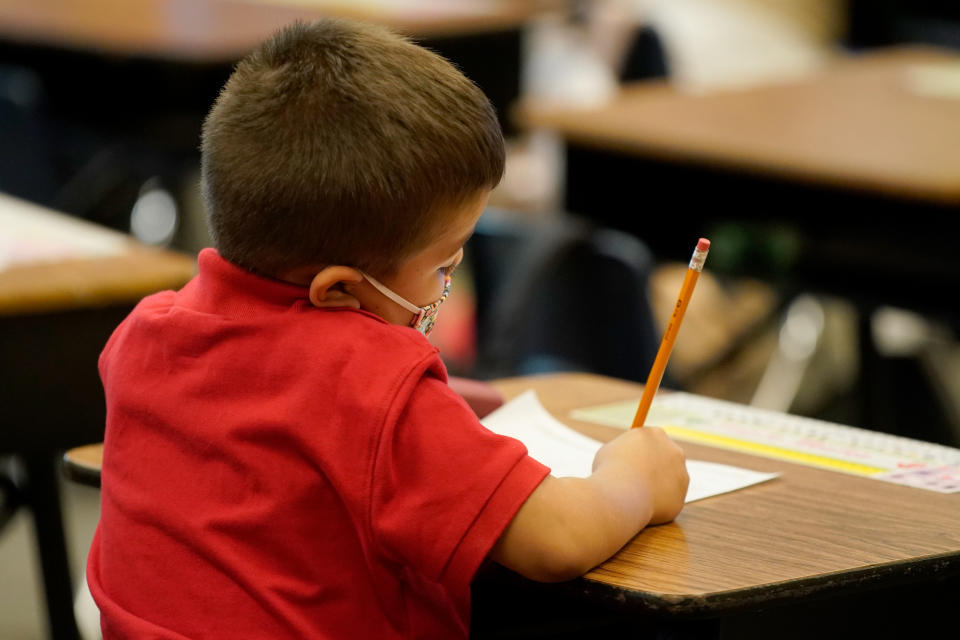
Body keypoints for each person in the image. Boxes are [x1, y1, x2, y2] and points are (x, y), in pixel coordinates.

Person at [86, 19, 689, 639]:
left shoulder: (142, 333)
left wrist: (434, 408)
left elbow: (272, 416)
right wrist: (635, 481)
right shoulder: (367, 380)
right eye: (442, 268)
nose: (446, 292)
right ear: (340, 289)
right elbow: (558, 539)